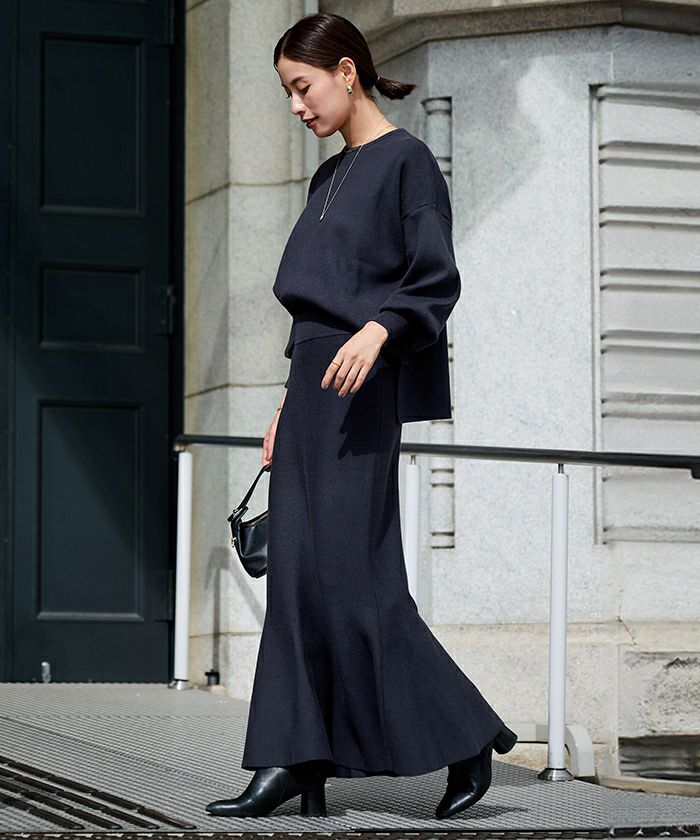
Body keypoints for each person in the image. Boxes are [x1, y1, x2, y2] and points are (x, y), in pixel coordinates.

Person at [205, 11, 517, 822]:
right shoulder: (327, 178)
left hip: (360, 386)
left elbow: (435, 276)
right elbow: (312, 309)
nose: (297, 106)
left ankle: (465, 735)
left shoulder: (407, 161)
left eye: (303, 87)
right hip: (310, 389)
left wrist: (380, 330)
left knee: (353, 582)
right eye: (287, 92)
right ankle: (291, 758)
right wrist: (284, 402)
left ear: (347, 71)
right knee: (298, 581)